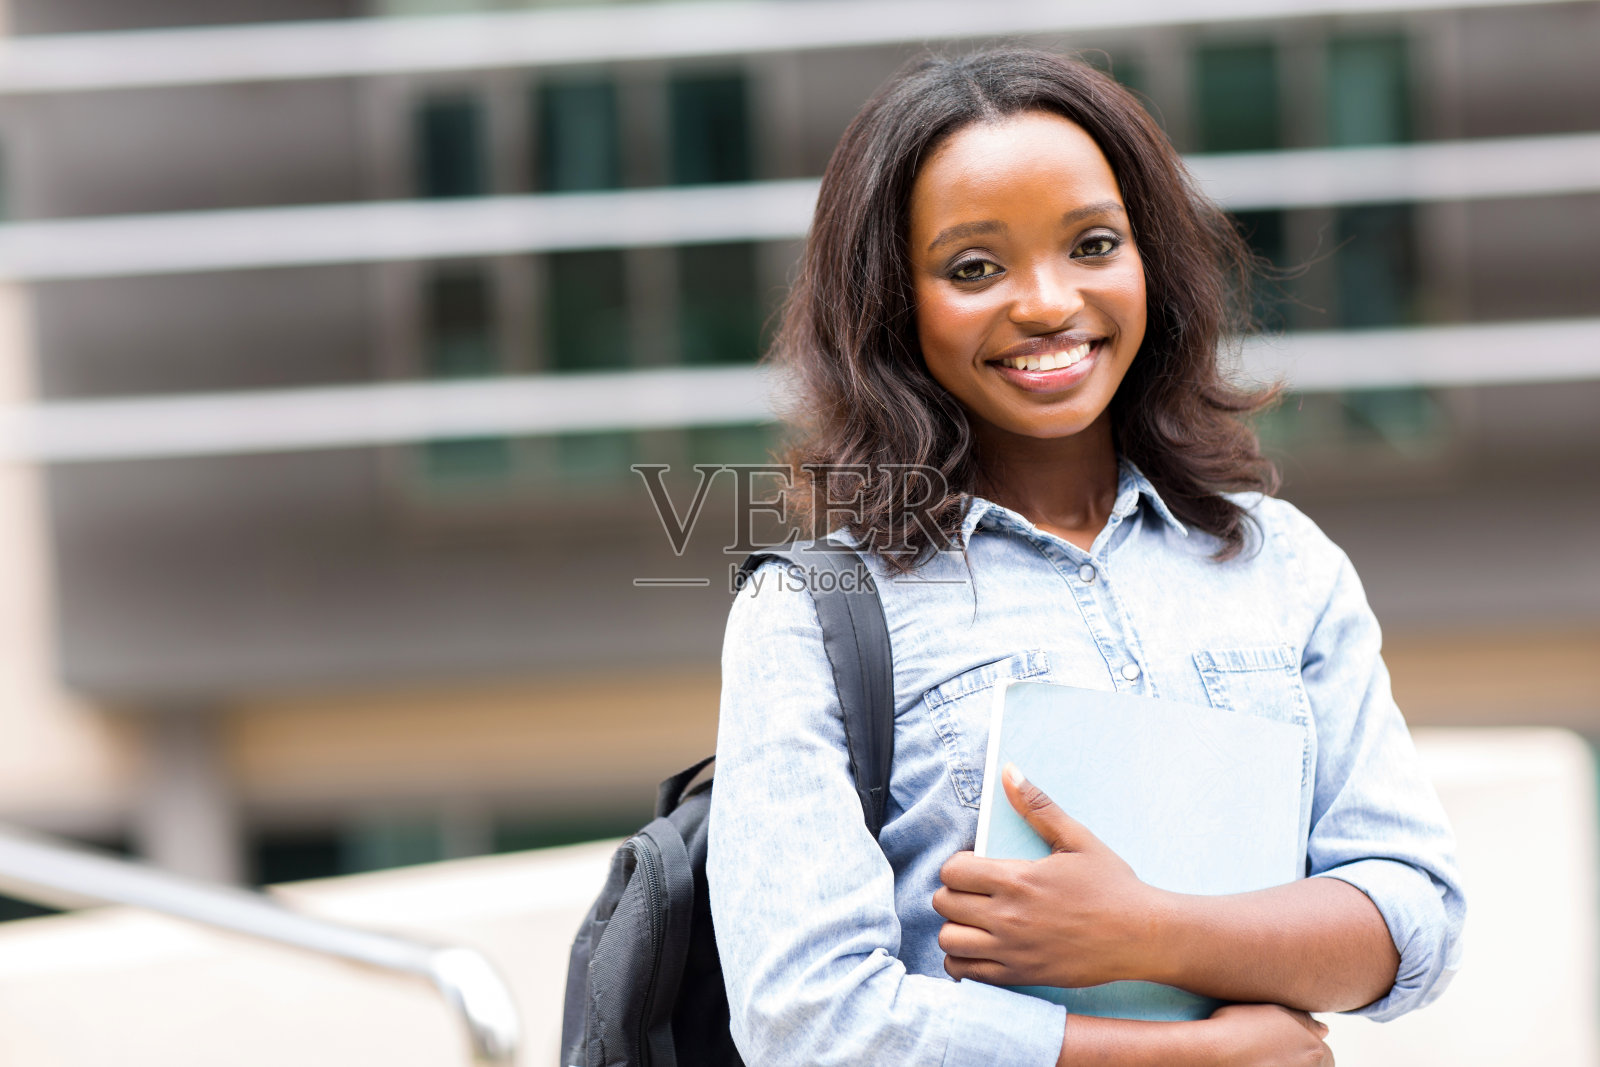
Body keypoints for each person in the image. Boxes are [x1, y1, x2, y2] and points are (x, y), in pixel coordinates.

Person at [706, 48, 1464, 1066]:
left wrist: (1149, 928)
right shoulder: (811, 613)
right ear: (891, 303)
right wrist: (1188, 1056)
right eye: (974, 267)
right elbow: (808, 1022)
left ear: (1150, 258)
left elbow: (1413, 916)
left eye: (1093, 243)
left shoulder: (1280, 562)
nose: (1048, 302)